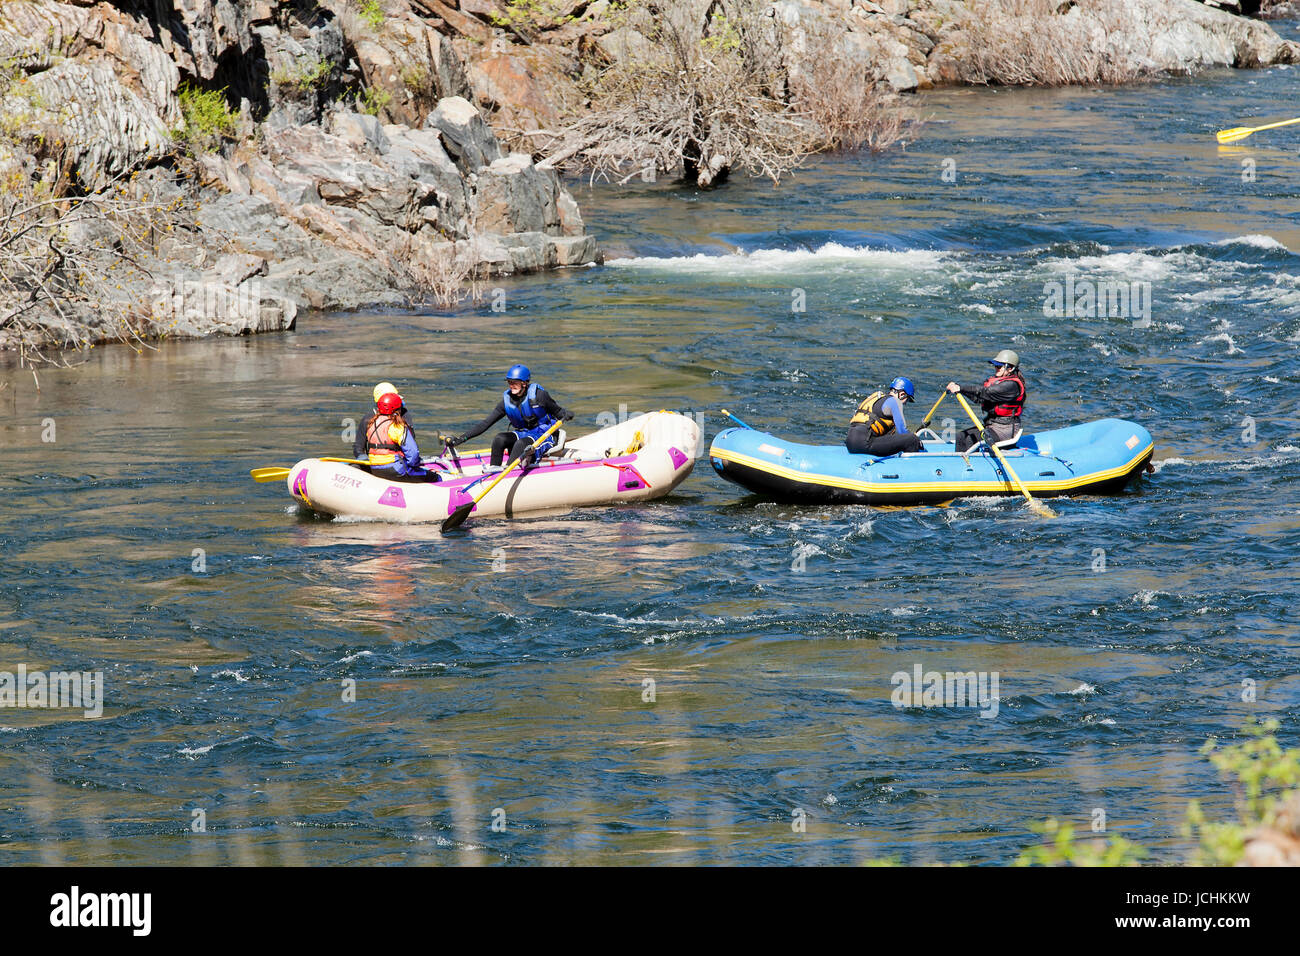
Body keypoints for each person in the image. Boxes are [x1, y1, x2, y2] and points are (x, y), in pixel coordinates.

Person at [447, 364, 574, 468]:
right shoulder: (507, 401)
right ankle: (494, 470)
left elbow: (558, 412)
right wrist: (461, 439)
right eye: (509, 382)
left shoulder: (540, 396)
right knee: (499, 438)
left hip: (545, 436)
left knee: (520, 444)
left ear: (524, 383)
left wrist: (566, 414)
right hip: (525, 434)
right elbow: (486, 423)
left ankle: (510, 472)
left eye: (515, 383)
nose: (511, 385)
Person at [946, 349, 1027, 453]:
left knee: (971, 439)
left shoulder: (1011, 386)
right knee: (961, 436)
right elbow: (979, 398)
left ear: (1010, 368)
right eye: (995, 366)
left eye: (999, 366)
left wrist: (961, 388)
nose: (996, 368)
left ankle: (971, 467)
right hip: (991, 426)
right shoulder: (997, 382)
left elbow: (986, 392)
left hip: (1005, 430)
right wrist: (961, 391)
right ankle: (960, 464)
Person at [364, 391, 441, 482]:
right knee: (435, 477)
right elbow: (413, 454)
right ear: (397, 409)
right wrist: (416, 466)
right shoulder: (396, 426)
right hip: (395, 470)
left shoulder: (372, 424)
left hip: (375, 468)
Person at [845, 376, 925, 456]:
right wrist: (917, 440)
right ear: (902, 394)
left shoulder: (877, 397)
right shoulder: (895, 401)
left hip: (850, 442)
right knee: (911, 439)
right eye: (907, 399)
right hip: (864, 443)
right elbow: (902, 431)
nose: (905, 403)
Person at [353, 381, 418, 464]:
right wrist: (362, 458)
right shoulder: (368, 419)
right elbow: (358, 447)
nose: (400, 404)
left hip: (398, 461)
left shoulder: (404, 414)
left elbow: (411, 442)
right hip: (375, 462)